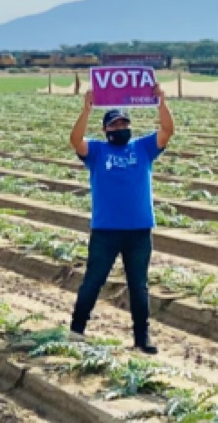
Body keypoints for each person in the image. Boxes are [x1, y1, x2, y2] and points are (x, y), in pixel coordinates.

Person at [68, 85, 172, 355]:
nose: (120, 127)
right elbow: (76, 140)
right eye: (115, 124)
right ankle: (76, 330)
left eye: (124, 122)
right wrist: (86, 111)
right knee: (93, 280)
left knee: (138, 284)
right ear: (106, 130)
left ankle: (142, 338)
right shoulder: (98, 152)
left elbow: (167, 131)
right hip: (105, 231)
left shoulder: (143, 148)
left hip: (139, 230)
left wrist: (162, 103)